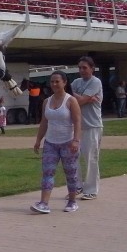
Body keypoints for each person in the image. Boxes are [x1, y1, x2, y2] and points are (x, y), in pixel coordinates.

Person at [31, 71, 82, 214]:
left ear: (64, 82)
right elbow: (44, 122)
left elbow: (78, 122)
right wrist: (38, 140)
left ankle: (72, 201)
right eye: (52, 81)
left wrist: (76, 140)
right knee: (47, 172)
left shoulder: (71, 100)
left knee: (70, 173)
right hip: (50, 143)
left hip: (68, 142)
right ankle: (44, 203)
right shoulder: (47, 101)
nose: (54, 84)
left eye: (57, 81)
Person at [71, 55, 103, 200]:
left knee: (90, 158)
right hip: (77, 126)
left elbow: (80, 101)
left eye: (85, 68)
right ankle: (77, 186)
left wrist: (84, 99)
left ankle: (91, 190)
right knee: (73, 157)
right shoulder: (76, 82)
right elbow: (70, 99)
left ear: (92, 68)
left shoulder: (95, 82)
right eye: (80, 68)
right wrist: (85, 98)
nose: (82, 70)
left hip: (92, 125)